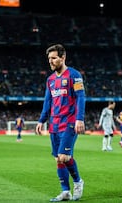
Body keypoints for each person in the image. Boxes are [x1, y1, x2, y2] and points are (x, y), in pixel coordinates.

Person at [35, 44, 85, 202]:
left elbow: (81, 97)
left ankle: (78, 182)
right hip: (54, 124)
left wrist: (79, 118)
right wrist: (41, 120)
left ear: (63, 58)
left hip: (70, 122)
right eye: (49, 58)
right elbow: (47, 101)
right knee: (58, 159)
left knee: (64, 156)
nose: (50, 61)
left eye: (54, 58)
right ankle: (65, 192)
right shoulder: (50, 80)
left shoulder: (74, 75)